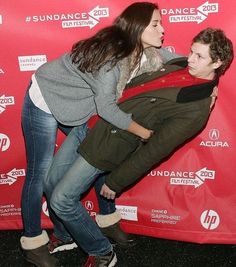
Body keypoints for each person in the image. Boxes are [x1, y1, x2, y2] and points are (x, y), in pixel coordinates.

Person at [44, 27, 233, 267]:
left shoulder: (195, 109)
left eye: (199, 56)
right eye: (191, 51)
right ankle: (66, 235)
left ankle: (102, 251)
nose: (190, 59)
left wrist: (116, 181)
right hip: (90, 122)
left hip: (108, 143)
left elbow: (155, 149)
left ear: (217, 63)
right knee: (50, 182)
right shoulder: (177, 63)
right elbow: (147, 46)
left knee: (61, 199)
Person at [20, 2, 177, 266]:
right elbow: (106, 108)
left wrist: (204, 80)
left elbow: (178, 58)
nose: (162, 29)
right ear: (137, 29)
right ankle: (33, 241)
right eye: (155, 24)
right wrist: (144, 133)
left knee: (97, 155)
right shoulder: (112, 58)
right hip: (47, 98)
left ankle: (104, 222)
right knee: (41, 174)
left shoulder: (144, 52)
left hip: (80, 106)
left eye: (161, 23)